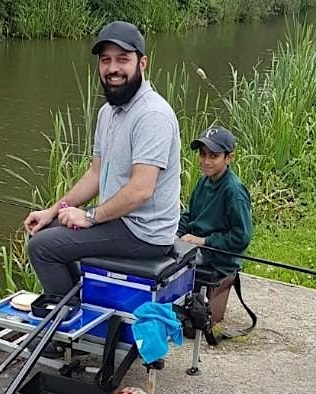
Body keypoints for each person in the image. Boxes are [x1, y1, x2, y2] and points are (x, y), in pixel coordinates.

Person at [24, 21, 182, 297]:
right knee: (43, 230)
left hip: (145, 233)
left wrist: (90, 216)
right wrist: (53, 211)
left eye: (123, 59)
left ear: (142, 63)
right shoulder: (108, 113)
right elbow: (95, 175)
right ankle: (78, 300)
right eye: (105, 60)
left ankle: (67, 317)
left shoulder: (152, 115)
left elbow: (141, 190)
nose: (113, 68)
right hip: (120, 222)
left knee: (42, 247)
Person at [178, 126, 253, 279]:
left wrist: (203, 241)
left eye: (213, 156)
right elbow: (188, 215)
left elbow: (241, 237)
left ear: (228, 158)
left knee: (171, 263)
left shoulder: (234, 191)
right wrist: (176, 234)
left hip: (217, 258)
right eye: (202, 154)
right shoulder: (203, 181)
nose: (206, 161)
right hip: (195, 246)